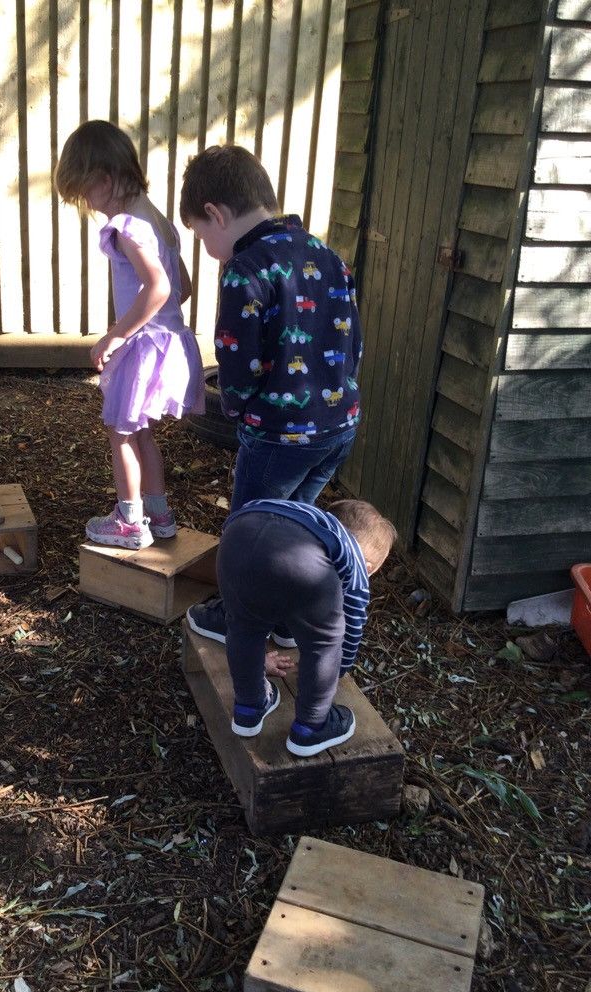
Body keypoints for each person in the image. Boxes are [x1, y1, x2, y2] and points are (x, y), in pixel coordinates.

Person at [179, 144, 363, 643]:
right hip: (338, 426)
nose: (205, 246)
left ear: (215, 214)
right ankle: (285, 617)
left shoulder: (246, 268)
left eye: (199, 233)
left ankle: (237, 620)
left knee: (249, 536)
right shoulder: (328, 255)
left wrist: (233, 409)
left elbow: (239, 362)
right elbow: (352, 341)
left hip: (280, 434)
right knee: (296, 530)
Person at [55, 120, 205, 550]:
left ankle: (129, 521)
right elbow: (183, 287)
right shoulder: (155, 219)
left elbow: (157, 287)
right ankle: (158, 514)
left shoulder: (127, 227)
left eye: (85, 193)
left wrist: (116, 337)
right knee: (140, 432)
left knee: (120, 432)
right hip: (170, 341)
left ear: (104, 179)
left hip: (143, 349)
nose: (88, 203)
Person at [216, 498, 396, 756]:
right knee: (326, 644)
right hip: (300, 563)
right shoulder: (354, 559)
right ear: (369, 567)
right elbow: (351, 628)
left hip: (238, 535)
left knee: (245, 627)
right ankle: (311, 728)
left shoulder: (311, 518)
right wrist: (336, 668)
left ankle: (248, 707)